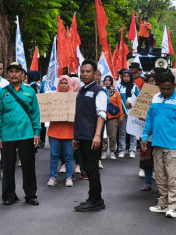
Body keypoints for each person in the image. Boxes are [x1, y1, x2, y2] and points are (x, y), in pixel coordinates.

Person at [141, 72, 176, 219]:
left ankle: (174, 206)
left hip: (174, 145)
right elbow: (149, 119)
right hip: (157, 143)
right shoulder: (155, 99)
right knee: (160, 176)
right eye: (162, 88)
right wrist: (145, 136)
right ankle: (163, 203)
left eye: (168, 89)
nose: (165, 92)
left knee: (174, 177)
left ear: (174, 86)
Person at [0, 62, 41, 206]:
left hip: (27, 135)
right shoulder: (2, 92)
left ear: (23, 75)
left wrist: (37, 132)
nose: (14, 74)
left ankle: (31, 195)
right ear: (7, 75)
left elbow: (35, 114)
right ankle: (8, 196)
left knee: (29, 167)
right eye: (11, 71)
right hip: (7, 135)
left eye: (17, 71)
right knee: (7, 167)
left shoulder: (30, 92)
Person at [73, 59, 107, 212]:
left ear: (95, 74)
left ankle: (95, 201)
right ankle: (95, 198)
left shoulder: (99, 91)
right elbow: (79, 115)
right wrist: (76, 137)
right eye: (82, 71)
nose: (84, 74)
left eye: (88, 71)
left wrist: (97, 135)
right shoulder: (82, 91)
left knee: (92, 170)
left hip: (92, 137)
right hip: (82, 136)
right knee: (88, 168)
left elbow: (102, 114)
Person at [47, 75, 75, 187]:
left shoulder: (74, 98)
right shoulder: (52, 97)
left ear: (69, 84)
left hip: (69, 131)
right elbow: (46, 112)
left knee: (68, 156)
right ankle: (53, 176)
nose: (63, 85)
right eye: (61, 83)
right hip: (54, 131)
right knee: (54, 155)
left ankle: (69, 177)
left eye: (65, 83)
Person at [139, 73, 159, 191]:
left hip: (158, 134)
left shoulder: (161, 97)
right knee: (146, 158)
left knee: (158, 158)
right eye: (149, 81)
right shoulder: (143, 95)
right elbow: (138, 111)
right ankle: (147, 182)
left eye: (153, 81)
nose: (151, 83)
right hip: (146, 133)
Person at [117, 70, 140, 158]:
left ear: (131, 77)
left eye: (128, 76)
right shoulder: (119, 86)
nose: (126, 78)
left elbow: (138, 98)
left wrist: (132, 103)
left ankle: (132, 150)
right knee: (122, 132)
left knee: (133, 132)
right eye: (124, 76)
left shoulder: (135, 87)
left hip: (132, 112)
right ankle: (121, 150)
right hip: (122, 112)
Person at [101, 74, 123, 160]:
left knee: (113, 135)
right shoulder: (101, 91)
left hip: (113, 116)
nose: (107, 82)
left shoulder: (115, 92)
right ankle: (104, 151)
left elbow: (119, 104)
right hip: (102, 116)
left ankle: (113, 151)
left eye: (108, 80)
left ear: (111, 82)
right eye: (105, 80)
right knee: (103, 135)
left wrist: (121, 115)